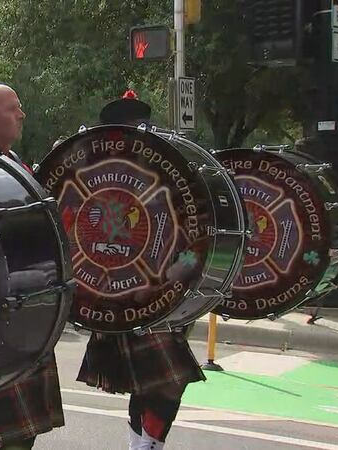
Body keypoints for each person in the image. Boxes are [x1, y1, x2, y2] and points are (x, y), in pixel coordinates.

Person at [76, 90, 205, 450]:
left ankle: (144, 446)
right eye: (130, 126)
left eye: (140, 125)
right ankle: (145, 446)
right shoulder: (93, 172)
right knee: (168, 379)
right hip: (115, 291)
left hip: (163, 287)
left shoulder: (164, 171)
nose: (138, 132)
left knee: (150, 382)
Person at [0, 83, 65, 450]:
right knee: (15, 436)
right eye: (12, 109)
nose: (21, 115)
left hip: (31, 306)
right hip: (3, 314)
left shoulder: (13, 163)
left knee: (25, 434)